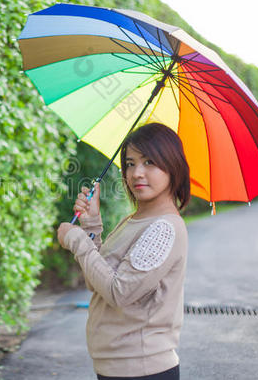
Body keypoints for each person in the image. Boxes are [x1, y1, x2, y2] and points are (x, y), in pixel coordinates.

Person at [57, 123, 190, 380]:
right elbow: (97, 282)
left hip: (143, 369)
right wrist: (91, 225)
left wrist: (76, 239)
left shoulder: (164, 228)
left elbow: (119, 292)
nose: (137, 173)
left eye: (149, 162)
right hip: (115, 366)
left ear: (173, 166)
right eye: (130, 163)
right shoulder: (132, 220)